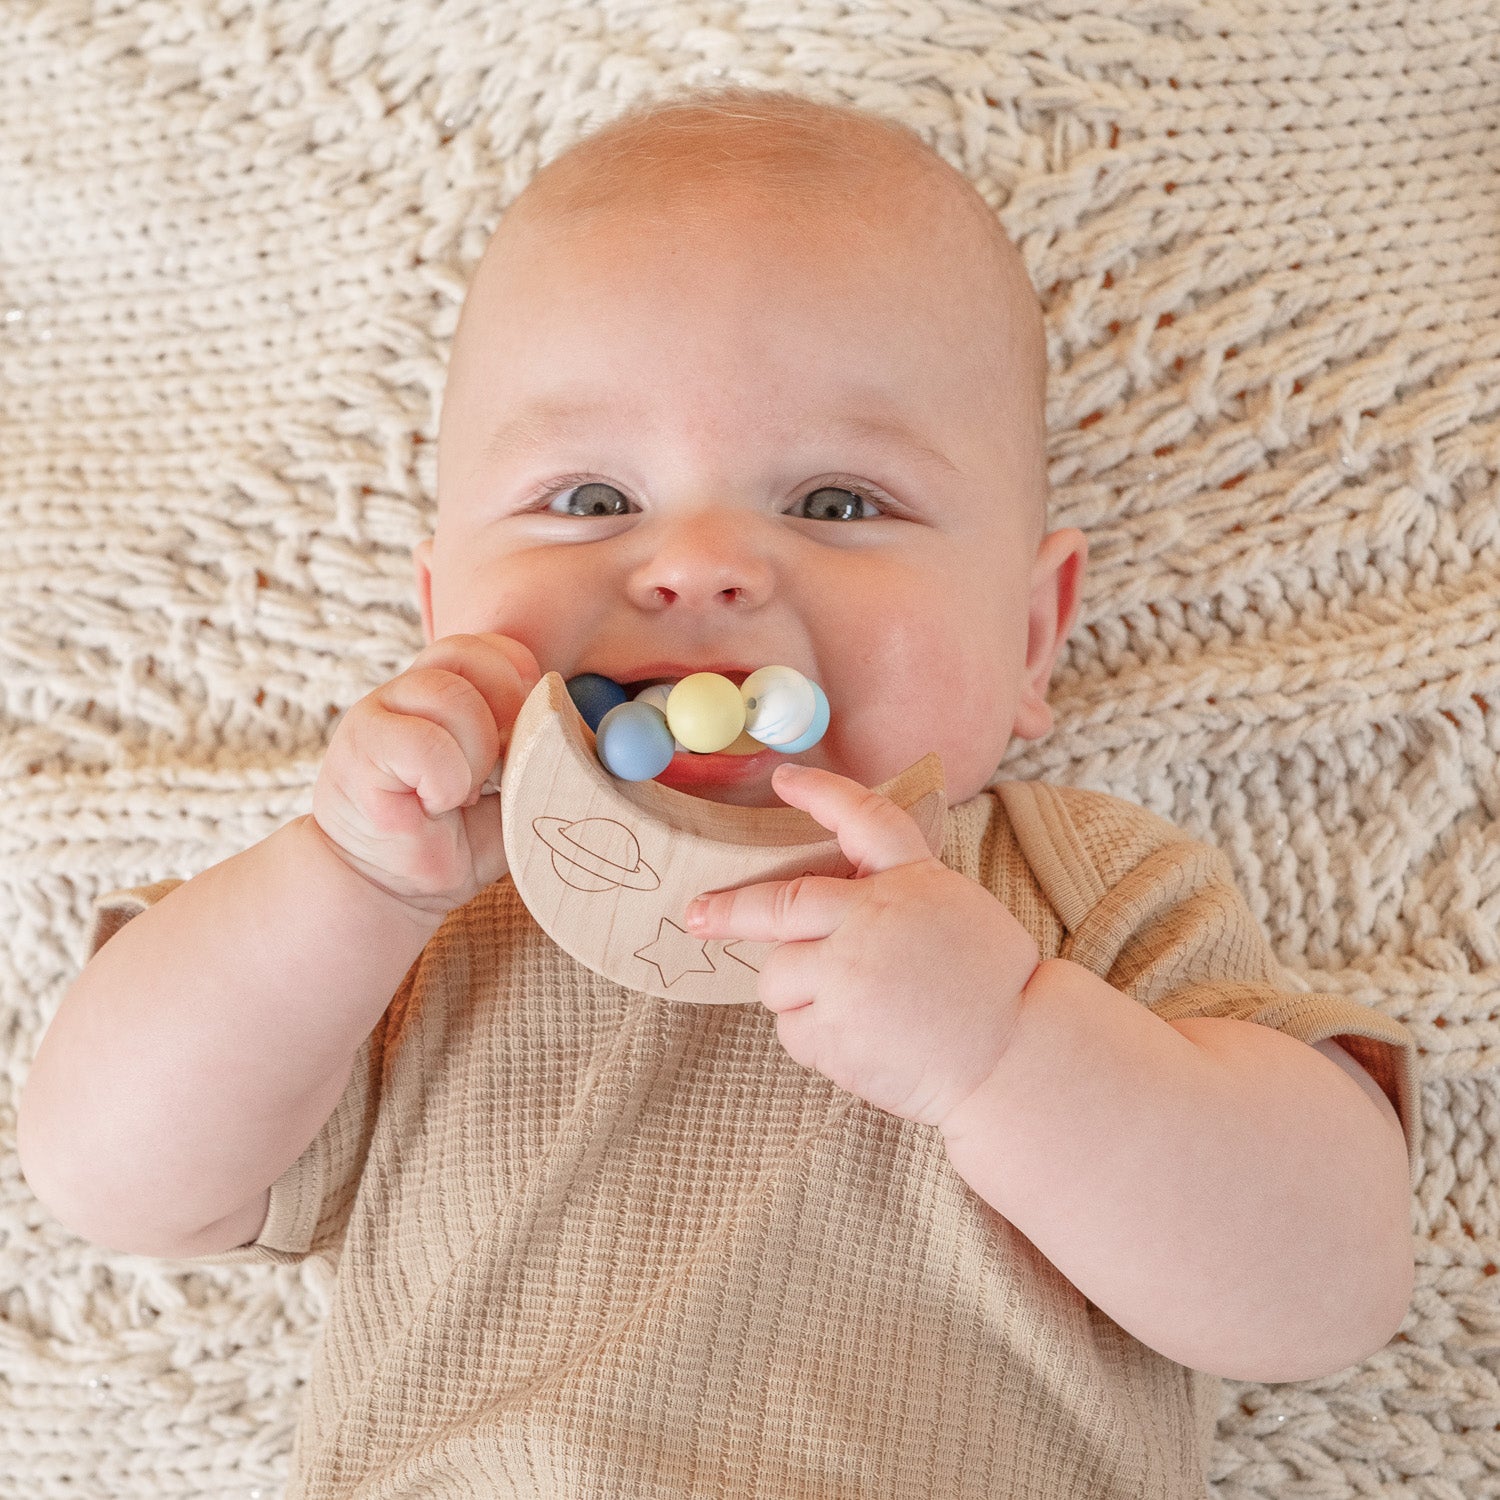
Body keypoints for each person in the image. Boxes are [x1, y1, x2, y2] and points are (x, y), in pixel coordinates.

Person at [18, 86, 1422, 1499]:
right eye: (589, 499)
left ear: (1028, 637)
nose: (698, 566)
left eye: (836, 502)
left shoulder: (1082, 895)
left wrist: (1005, 1045)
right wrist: (349, 882)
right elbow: (110, 1178)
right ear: (439, 613)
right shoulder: (429, 919)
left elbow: (1327, 1291)